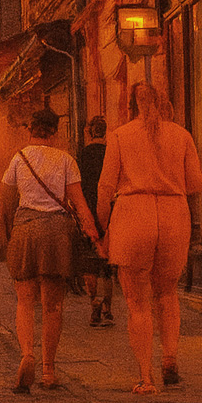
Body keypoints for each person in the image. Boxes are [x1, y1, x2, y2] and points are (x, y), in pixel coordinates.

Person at [97, 82, 202, 395]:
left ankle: (145, 377)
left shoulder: (119, 136)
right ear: (164, 101)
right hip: (174, 212)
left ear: (131, 105)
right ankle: (170, 358)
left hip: (133, 212)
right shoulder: (181, 135)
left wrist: (102, 227)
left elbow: (106, 187)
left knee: (137, 302)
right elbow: (196, 183)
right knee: (167, 292)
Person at [1, 108, 101, 393]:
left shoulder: (19, 159)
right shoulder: (66, 160)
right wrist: (93, 232)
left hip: (25, 228)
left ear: (30, 130)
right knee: (53, 305)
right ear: (55, 132)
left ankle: (27, 355)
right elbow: (79, 202)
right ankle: (48, 371)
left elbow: (6, 197)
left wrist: (10, 233)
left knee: (24, 301)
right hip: (57, 232)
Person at [78, 116, 115, 328]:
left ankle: (94, 305)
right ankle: (108, 308)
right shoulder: (111, 153)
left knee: (90, 263)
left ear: (90, 132)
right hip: (110, 211)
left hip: (88, 212)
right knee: (108, 264)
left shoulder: (82, 156)